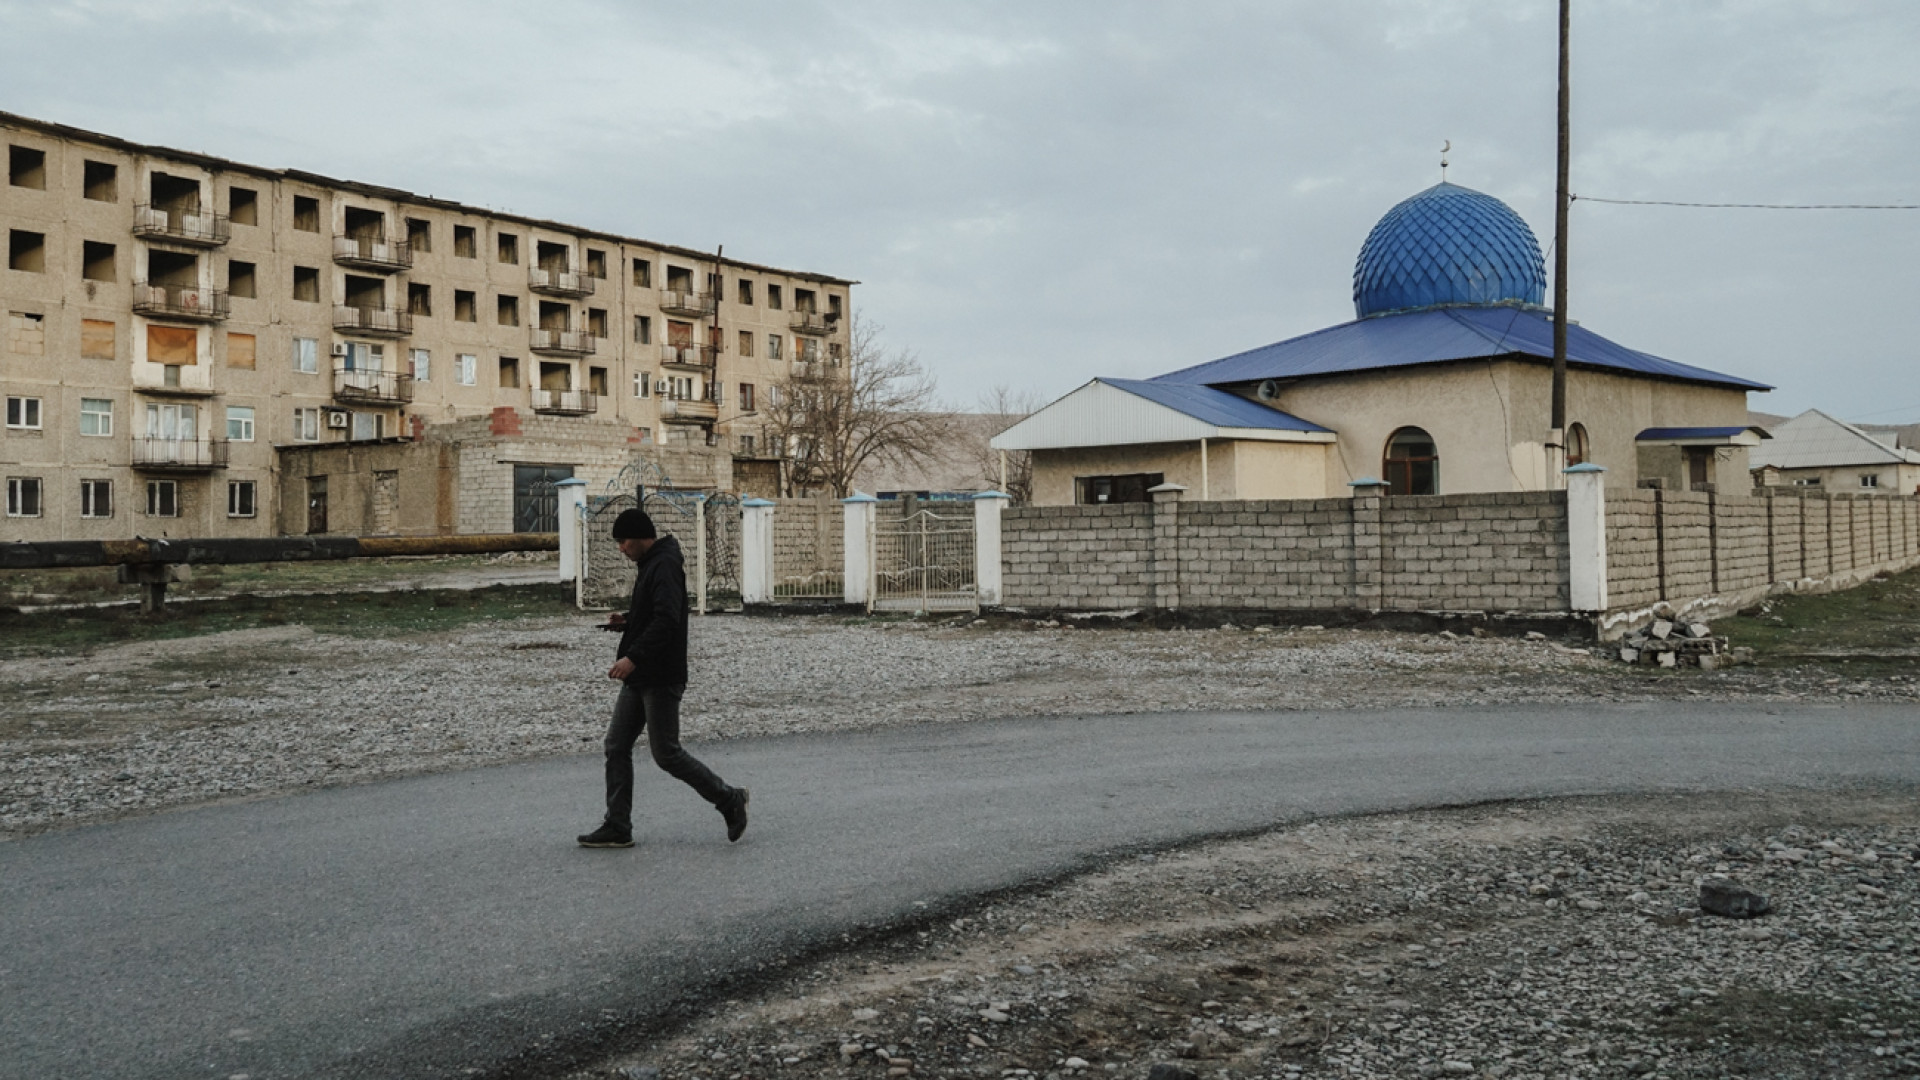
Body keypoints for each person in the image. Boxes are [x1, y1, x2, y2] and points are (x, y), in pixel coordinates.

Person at [578, 507, 749, 849]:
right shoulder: (651, 563)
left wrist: (632, 657)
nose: (621, 548)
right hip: (643, 675)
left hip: (660, 674)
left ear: (641, 537)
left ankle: (729, 798)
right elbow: (654, 612)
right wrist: (627, 621)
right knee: (616, 745)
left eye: (624, 541)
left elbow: (668, 620)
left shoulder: (665, 564)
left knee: (667, 753)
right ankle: (618, 825)